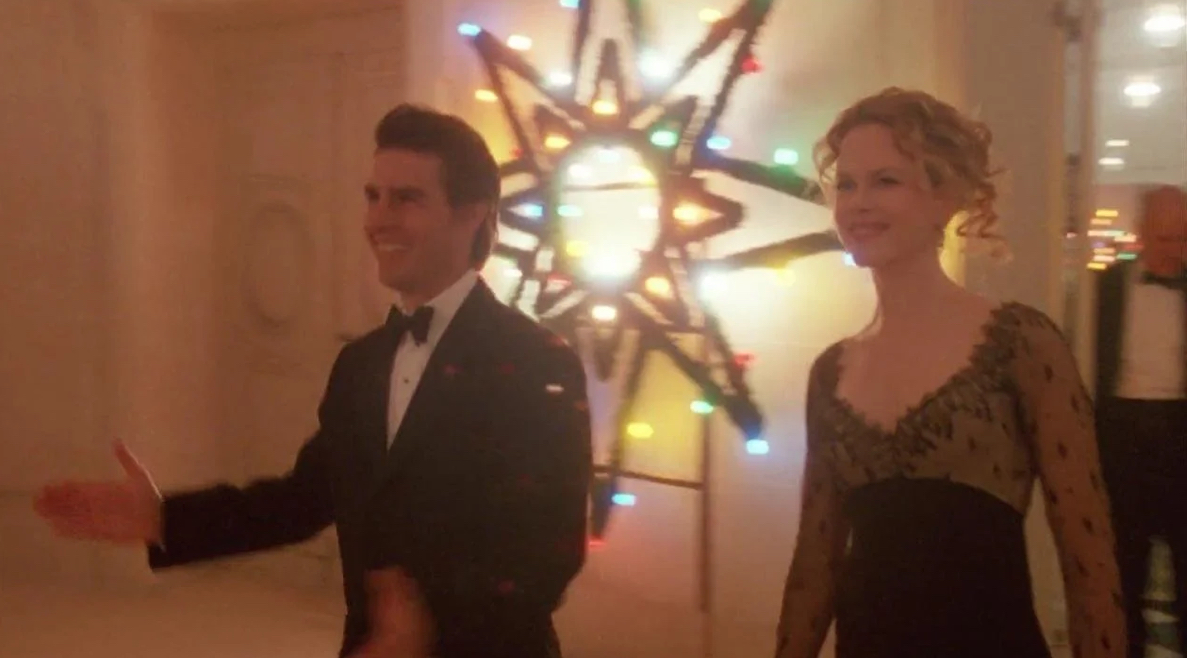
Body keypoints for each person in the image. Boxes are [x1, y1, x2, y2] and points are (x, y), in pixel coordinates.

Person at [33, 104, 593, 658]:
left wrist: (428, 623)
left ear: (472, 214)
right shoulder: (362, 364)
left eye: (406, 199)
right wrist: (164, 519)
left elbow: (550, 549)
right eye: (373, 197)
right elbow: (301, 500)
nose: (378, 220)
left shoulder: (536, 361)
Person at [774, 88, 1124, 658]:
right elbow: (815, 564)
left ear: (946, 197)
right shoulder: (831, 371)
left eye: (886, 181)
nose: (859, 203)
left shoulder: (1019, 343)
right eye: (848, 184)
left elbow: (1088, 553)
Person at [1093, 185, 1187, 658]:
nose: (1174, 249)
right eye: (1165, 237)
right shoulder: (1103, 288)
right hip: (1122, 436)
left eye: (1182, 237)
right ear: (1142, 232)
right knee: (1124, 563)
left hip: (1180, 432)